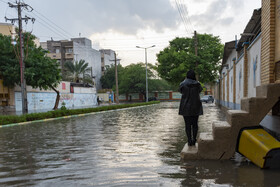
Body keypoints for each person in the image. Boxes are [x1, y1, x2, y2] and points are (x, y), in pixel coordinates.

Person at [179, 70, 203, 146]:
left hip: (185, 106)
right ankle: (194, 139)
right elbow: (200, 91)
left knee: (187, 124)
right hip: (196, 106)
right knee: (195, 124)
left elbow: (180, 91)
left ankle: (189, 140)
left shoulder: (182, 84)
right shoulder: (198, 84)